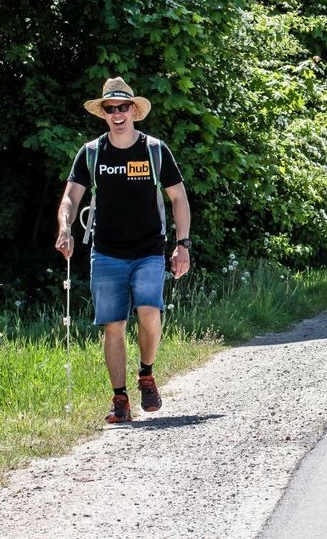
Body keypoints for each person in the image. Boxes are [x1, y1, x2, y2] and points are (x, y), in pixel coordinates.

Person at [55, 77, 192, 423]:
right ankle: (120, 400)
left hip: (148, 248)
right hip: (106, 252)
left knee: (149, 311)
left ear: (134, 110)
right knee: (113, 326)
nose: (117, 114)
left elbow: (178, 198)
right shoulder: (91, 152)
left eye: (123, 107)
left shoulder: (155, 150)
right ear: (104, 113)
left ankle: (146, 374)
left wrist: (183, 245)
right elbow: (70, 198)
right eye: (110, 109)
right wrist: (64, 228)